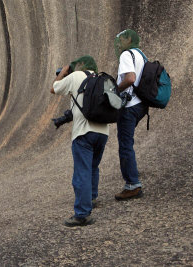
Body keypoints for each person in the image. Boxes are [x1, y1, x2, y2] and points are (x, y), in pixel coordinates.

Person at [50, 55, 109, 227]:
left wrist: (64, 72)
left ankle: (82, 214)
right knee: (92, 167)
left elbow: (54, 88)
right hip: (103, 131)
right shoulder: (100, 78)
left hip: (83, 132)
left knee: (81, 172)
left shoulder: (75, 77)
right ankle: (91, 198)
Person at [114, 29, 148, 200]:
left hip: (130, 105)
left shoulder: (126, 55)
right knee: (128, 142)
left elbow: (130, 78)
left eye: (121, 40)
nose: (118, 44)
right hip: (141, 105)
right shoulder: (141, 54)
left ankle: (132, 185)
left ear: (128, 39)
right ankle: (132, 175)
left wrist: (114, 90)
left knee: (125, 144)